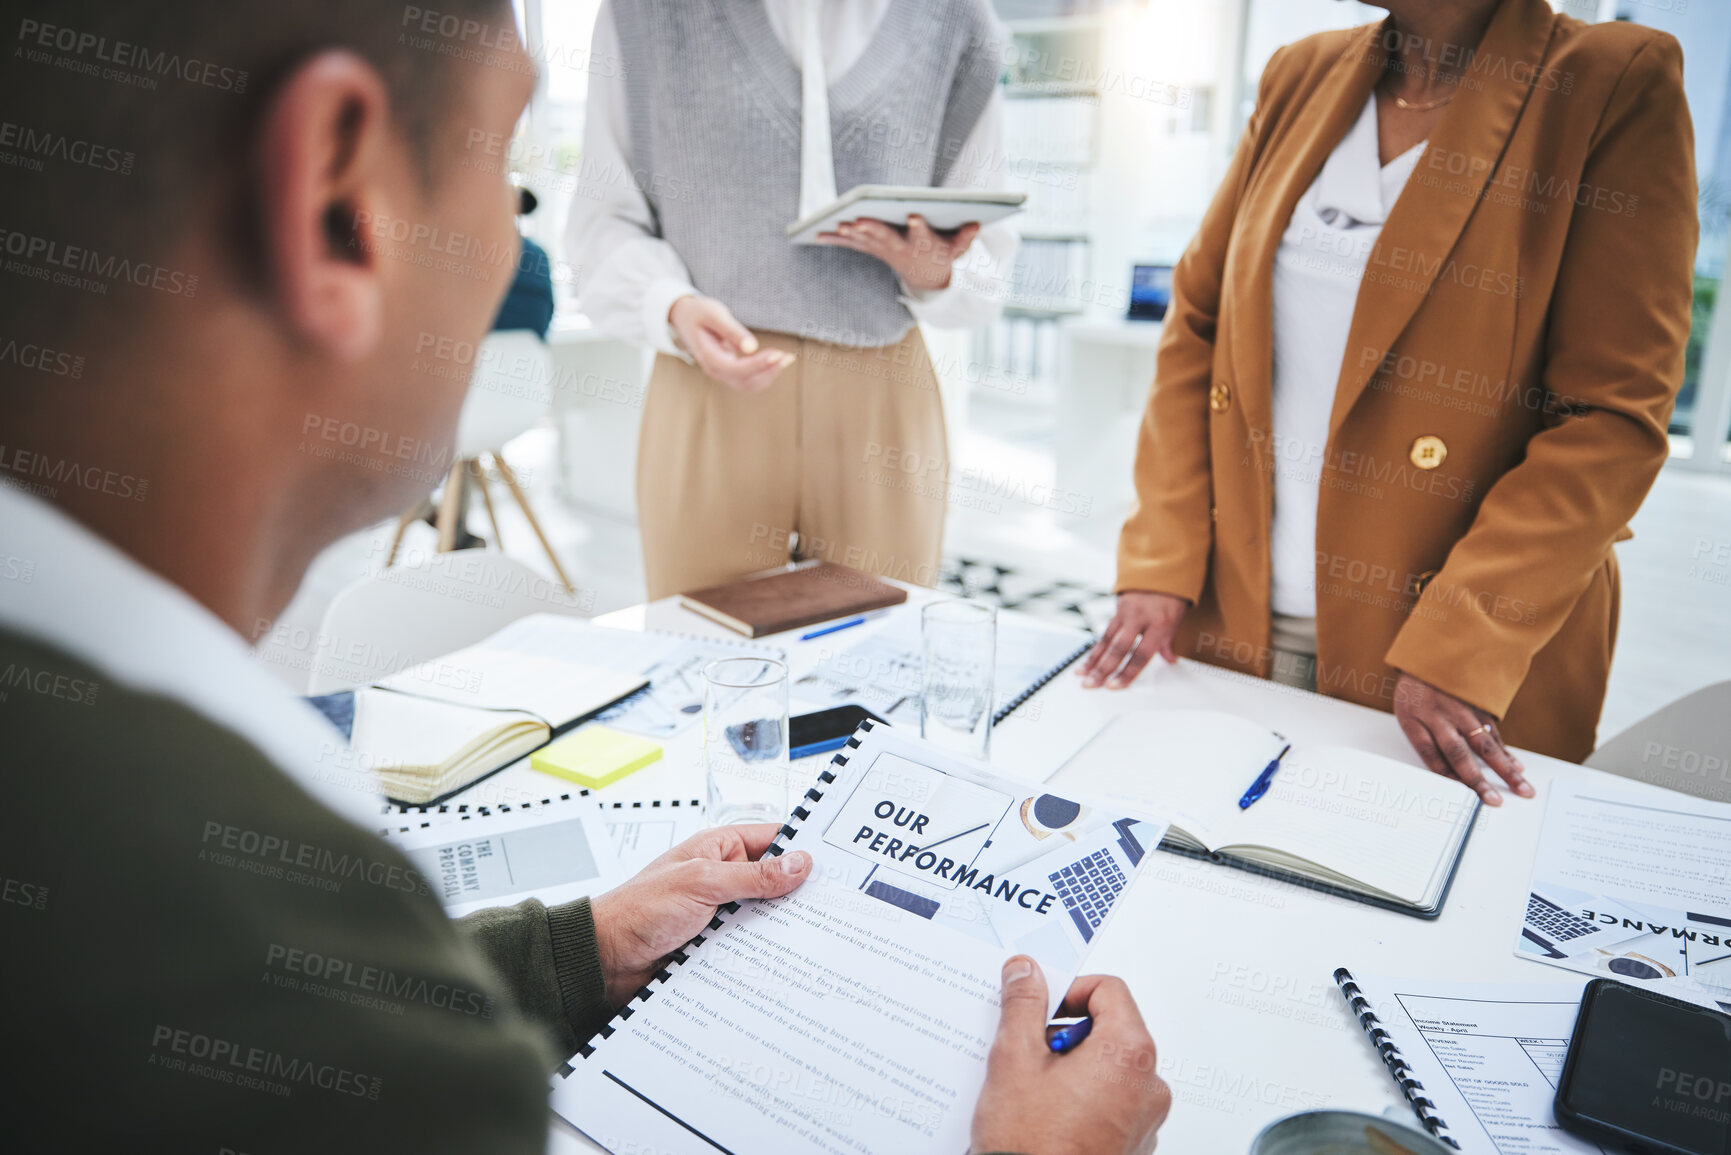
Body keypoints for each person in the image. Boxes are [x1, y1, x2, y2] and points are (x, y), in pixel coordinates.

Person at [0, 1, 1167, 1151]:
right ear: (336, 205)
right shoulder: (263, 933)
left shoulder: (162, 854)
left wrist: (581, 947)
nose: (516, 244)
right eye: (507, 176)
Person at [1077, 0, 1696, 802]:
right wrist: (1161, 555)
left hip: (1439, 668)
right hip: (1230, 619)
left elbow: (1610, 417)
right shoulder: (1300, 72)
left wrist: (1461, 641)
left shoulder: (1610, 80)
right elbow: (1199, 324)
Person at [566, 0, 1019, 600]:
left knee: (881, 657)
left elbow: (989, 253)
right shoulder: (645, 15)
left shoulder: (954, 20)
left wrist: (935, 269)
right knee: (703, 658)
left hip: (882, 389)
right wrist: (670, 304)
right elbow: (603, 222)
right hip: (709, 378)